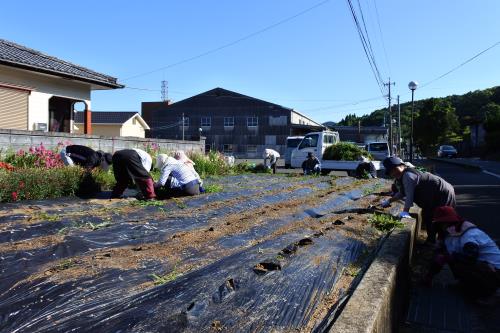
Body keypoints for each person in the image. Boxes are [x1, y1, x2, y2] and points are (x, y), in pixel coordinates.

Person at [423, 206, 500, 298]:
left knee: (458, 260)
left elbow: (470, 258)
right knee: (448, 256)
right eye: (441, 224)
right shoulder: (450, 234)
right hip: (484, 267)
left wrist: (450, 257)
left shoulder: (468, 235)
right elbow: (440, 255)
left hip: (494, 271)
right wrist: (430, 275)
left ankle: (486, 292)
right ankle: (467, 283)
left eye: (445, 224)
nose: (443, 227)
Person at [380, 156, 455, 243]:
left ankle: (445, 242)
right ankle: (433, 241)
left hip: (442, 192)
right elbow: (402, 193)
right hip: (433, 195)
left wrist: (405, 211)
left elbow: (409, 195)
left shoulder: (408, 175)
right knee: (428, 215)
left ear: (401, 165)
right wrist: (388, 201)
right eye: (390, 171)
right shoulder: (402, 176)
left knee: (442, 217)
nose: (393, 172)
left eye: (394, 169)